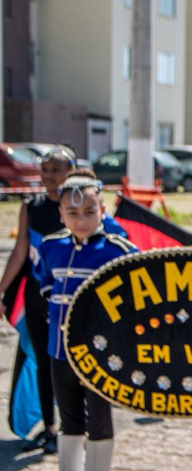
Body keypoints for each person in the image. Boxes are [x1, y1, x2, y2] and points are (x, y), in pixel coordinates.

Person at [0, 155, 125, 455]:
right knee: (46, 364)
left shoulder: (99, 220)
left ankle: (90, 434)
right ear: (61, 215)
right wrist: (2, 290)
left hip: (90, 317)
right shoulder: (34, 210)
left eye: (55, 170)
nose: (48, 175)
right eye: (44, 170)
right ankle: (49, 427)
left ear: (70, 173)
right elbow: (21, 252)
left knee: (90, 376)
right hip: (44, 300)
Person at [37, 176, 138, 471]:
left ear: (103, 210)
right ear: (61, 214)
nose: (81, 220)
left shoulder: (120, 252)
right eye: (72, 212)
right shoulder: (51, 247)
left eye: (89, 212)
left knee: (99, 418)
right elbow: (45, 281)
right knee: (68, 417)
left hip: (99, 352)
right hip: (59, 350)